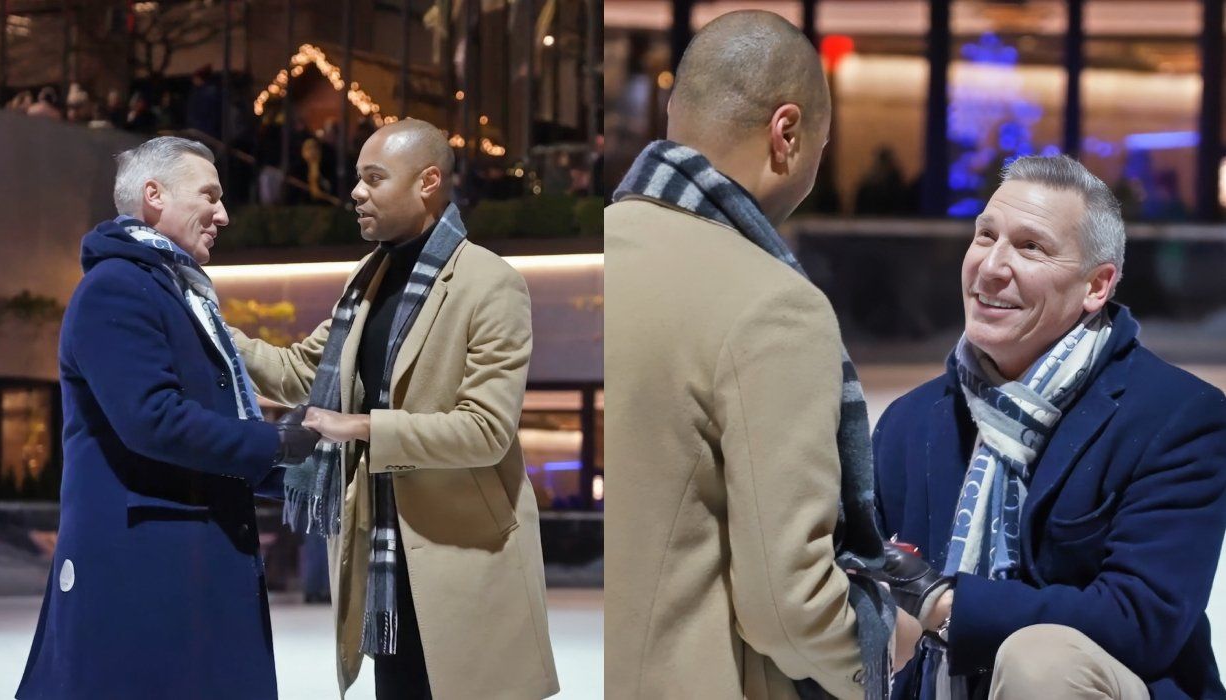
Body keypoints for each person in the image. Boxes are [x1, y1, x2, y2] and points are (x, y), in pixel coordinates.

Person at [605, 11, 922, 700]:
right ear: (787, 133)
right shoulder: (771, 305)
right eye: (820, 146)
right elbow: (788, 606)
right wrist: (891, 649)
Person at [872, 155, 1226, 699]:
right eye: (984, 236)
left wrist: (945, 604)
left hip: (1104, 685)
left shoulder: (1178, 418)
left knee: (1039, 660)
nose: (991, 266)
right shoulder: (911, 421)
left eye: (1030, 247)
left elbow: (1141, 621)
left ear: (1097, 286)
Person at [230, 119, 558, 699]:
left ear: (428, 181)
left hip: (463, 554)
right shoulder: (367, 280)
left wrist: (357, 427)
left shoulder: (491, 283)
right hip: (381, 554)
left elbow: (486, 430)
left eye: (374, 178)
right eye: (358, 179)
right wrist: (214, 331)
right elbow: (301, 372)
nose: (356, 192)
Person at [15, 136, 320, 699]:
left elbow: (199, 422)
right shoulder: (116, 289)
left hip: (179, 558)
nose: (223, 214)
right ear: (154, 195)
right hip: (145, 569)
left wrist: (297, 467)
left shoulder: (172, 292)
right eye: (210, 195)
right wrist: (275, 443)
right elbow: (153, 420)